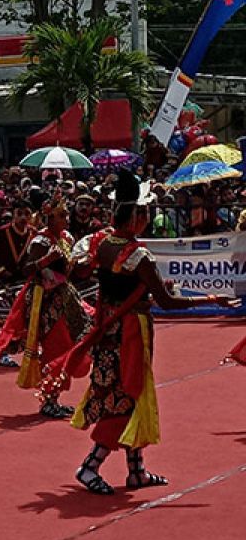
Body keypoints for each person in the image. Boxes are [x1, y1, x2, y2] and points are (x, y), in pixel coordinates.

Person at [50, 172, 235, 495]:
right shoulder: (139, 256)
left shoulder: (101, 242)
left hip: (108, 329)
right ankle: (90, 465)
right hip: (131, 333)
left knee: (125, 394)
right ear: (135, 216)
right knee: (127, 397)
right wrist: (209, 299)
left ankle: (136, 470)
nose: (148, 218)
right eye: (145, 212)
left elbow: (79, 269)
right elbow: (166, 301)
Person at [0, 196, 90, 418]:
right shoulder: (40, 242)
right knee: (56, 348)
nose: (66, 219)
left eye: (66, 214)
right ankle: (48, 400)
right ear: (50, 218)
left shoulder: (66, 238)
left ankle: (54, 397)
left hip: (66, 298)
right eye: (61, 215)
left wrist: (86, 263)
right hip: (46, 303)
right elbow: (27, 269)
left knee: (80, 339)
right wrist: (46, 260)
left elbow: (71, 272)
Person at [0, 198, 35, 367]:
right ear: (13, 215)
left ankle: (29, 349)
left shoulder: (33, 233)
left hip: (26, 282)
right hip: (5, 281)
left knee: (29, 317)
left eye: (27, 214)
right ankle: (3, 353)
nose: (23, 218)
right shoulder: (2, 232)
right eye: (19, 214)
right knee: (8, 318)